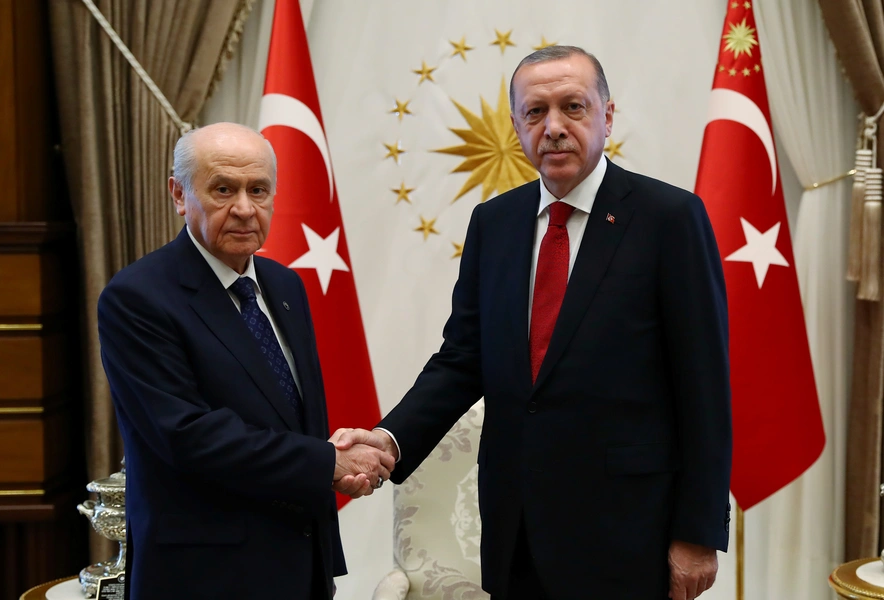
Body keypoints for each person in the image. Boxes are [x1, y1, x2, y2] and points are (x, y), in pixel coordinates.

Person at [334, 46, 732, 600]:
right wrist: (388, 440)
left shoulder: (670, 218)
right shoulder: (494, 223)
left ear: (607, 116)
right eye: (535, 112)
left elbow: (705, 387)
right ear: (517, 124)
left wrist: (698, 532)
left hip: (629, 532)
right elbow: (462, 358)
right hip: (515, 529)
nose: (555, 128)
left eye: (573, 107)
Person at [97, 122, 394, 600]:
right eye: (222, 189)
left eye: (258, 190)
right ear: (179, 194)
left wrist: (336, 469)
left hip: (300, 566)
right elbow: (189, 437)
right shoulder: (137, 297)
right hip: (204, 576)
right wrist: (327, 464)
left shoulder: (284, 285)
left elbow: (294, 419)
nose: (243, 208)